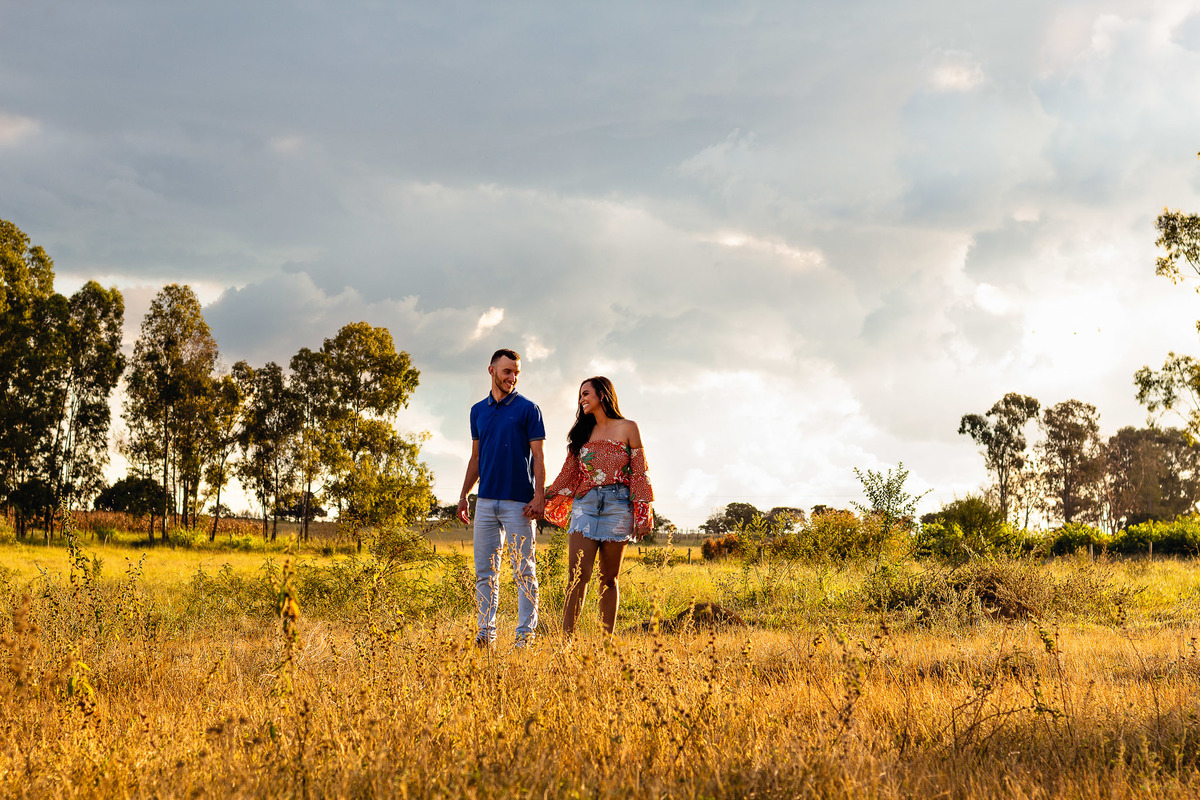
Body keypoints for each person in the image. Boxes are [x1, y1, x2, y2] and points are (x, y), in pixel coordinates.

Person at [544, 376, 653, 637]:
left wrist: (643, 511)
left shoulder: (628, 427)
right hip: (586, 506)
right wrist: (543, 496)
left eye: (585, 394)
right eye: (580, 395)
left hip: (618, 506)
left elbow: (640, 472)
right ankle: (566, 642)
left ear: (602, 395)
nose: (581, 400)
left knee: (609, 578)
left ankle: (606, 644)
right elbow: (568, 474)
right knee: (577, 577)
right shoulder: (582, 433)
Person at [457, 348, 546, 648]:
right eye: (507, 371)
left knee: (524, 570)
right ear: (491, 370)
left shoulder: (528, 409)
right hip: (485, 502)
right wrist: (463, 496)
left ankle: (525, 637)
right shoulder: (477, 411)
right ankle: (485, 633)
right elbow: (476, 458)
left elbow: (538, 457)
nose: (513, 377)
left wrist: (539, 496)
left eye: (517, 372)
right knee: (485, 571)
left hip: (519, 504)